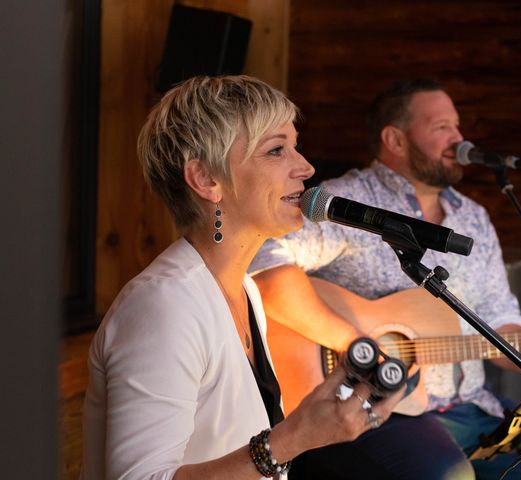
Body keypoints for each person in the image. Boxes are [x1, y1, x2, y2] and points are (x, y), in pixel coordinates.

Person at [80, 75, 405, 480]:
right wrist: (292, 439)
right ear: (206, 180)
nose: (305, 166)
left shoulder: (246, 290)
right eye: (276, 150)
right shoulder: (163, 307)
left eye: (295, 146)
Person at [249, 79, 521, 479]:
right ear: (395, 140)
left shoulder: (474, 218)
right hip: (379, 405)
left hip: (474, 407)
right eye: (441, 128)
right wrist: (355, 343)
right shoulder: (346, 202)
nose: (459, 139)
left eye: (457, 125)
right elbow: (263, 260)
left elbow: (497, 312)